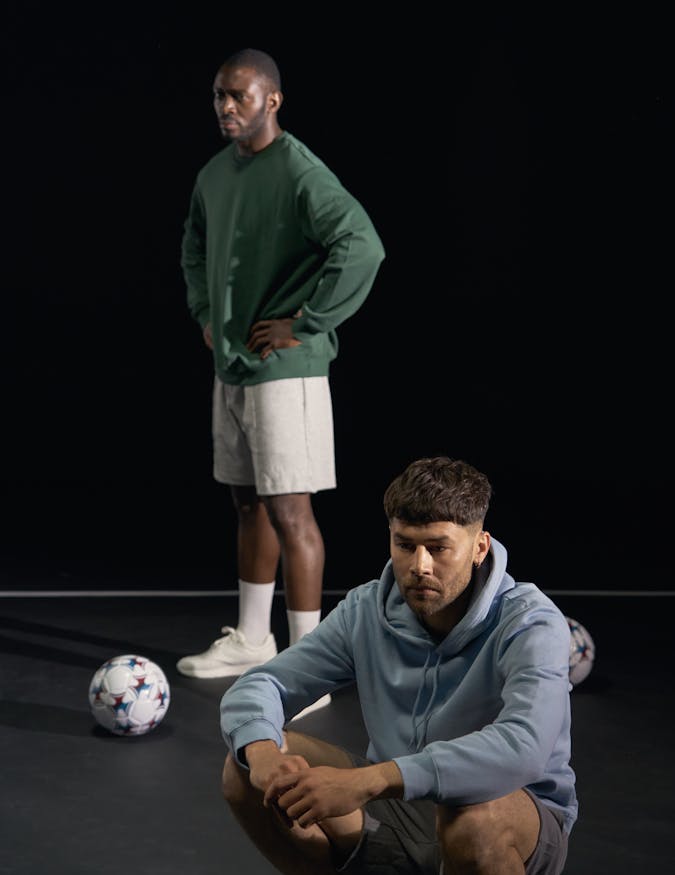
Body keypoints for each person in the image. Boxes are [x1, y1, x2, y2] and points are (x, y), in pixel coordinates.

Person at [220, 456, 577, 874]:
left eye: (438, 548)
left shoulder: (531, 622)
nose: (419, 566)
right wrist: (262, 755)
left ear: (479, 546)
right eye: (405, 545)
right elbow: (262, 684)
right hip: (399, 806)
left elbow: (524, 748)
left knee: (473, 821)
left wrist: (371, 780)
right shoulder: (367, 609)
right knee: (243, 767)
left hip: (509, 814)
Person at [177, 47, 385, 702]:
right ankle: (252, 639)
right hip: (233, 364)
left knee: (291, 509)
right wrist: (207, 311)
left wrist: (308, 319)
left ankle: (306, 665)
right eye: (219, 95)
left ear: (273, 100)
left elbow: (362, 244)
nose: (227, 107)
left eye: (240, 95)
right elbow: (193, 245)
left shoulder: (298, 168)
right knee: (247, 501)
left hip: (284, 367)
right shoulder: (214, 172)